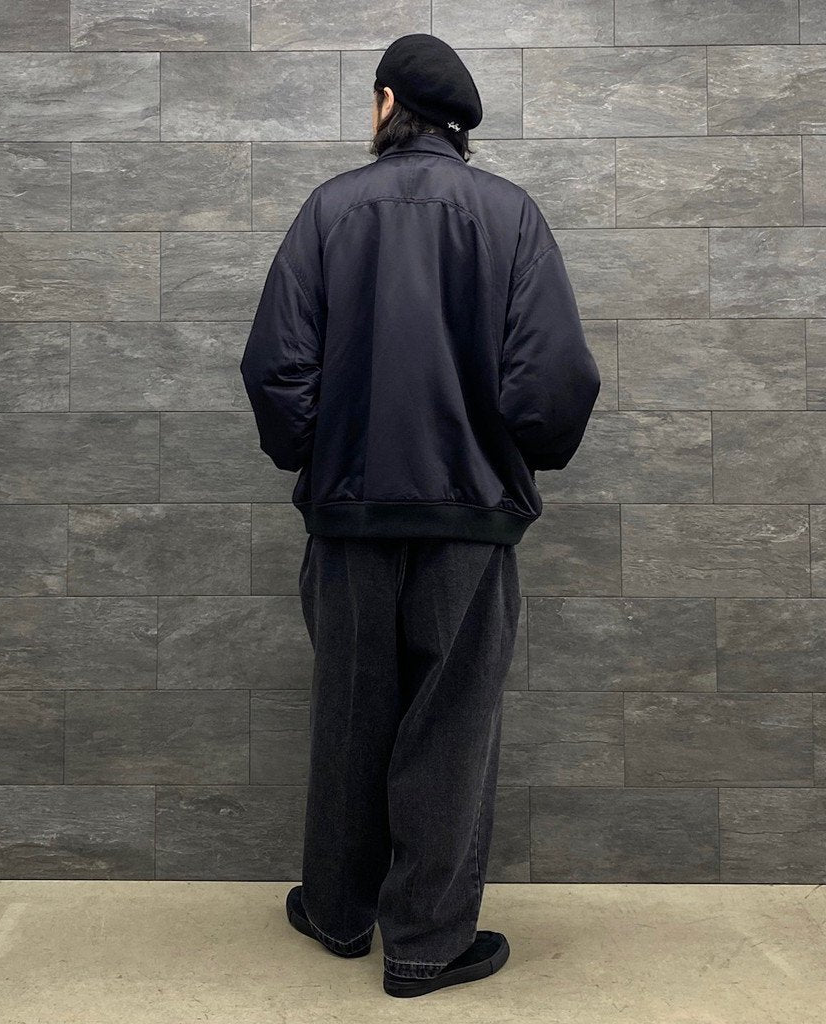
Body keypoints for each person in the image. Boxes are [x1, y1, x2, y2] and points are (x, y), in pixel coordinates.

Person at [239, 32, 600, 999]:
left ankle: (338, 913)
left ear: (389, 103)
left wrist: (313, 454)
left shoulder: (329, 210)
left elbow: (275, 367)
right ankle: (426, 947)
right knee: (450, 729)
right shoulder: (510, 216)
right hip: (470, 523)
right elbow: (556, 379)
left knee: (349, 718)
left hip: (349, 517)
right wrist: (514, 456)